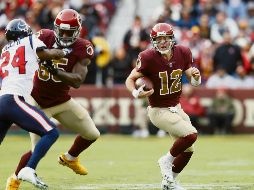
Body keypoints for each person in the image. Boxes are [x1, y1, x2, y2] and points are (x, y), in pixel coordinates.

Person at [6, 9, 100, 190]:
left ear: (78, 31)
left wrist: (55, 71)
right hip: (36, 101)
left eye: (69, 32)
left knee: (92, 134)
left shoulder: (83, 47)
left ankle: (70, 158)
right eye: (61, 31)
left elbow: (78, 81)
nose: (64, 35)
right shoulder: (44, 36)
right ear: (55, 28)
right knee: (36, 149)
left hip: (61, 100)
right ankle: (15, 180)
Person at [125, 23, 201, 190]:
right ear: (153, 41)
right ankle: (166, 160)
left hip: (176, 107)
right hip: (158, 110)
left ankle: (169, 183)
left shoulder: (183, 52)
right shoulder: (148, 57)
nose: (162, 43)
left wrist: (196, 77)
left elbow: (193, 80)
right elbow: (130, 79)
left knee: (188, 150)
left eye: (165, 39)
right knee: (191, 135)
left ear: (171, 39)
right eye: (158, 40)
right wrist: (136, 93)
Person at [0, 19, 69, 189]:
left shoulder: (4, 50)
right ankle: (28, 168)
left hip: (3, 99)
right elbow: (47, 54)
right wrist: (63, 52)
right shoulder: (30, 40)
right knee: (51, 132)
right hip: (13, 99)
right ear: (24, 31)